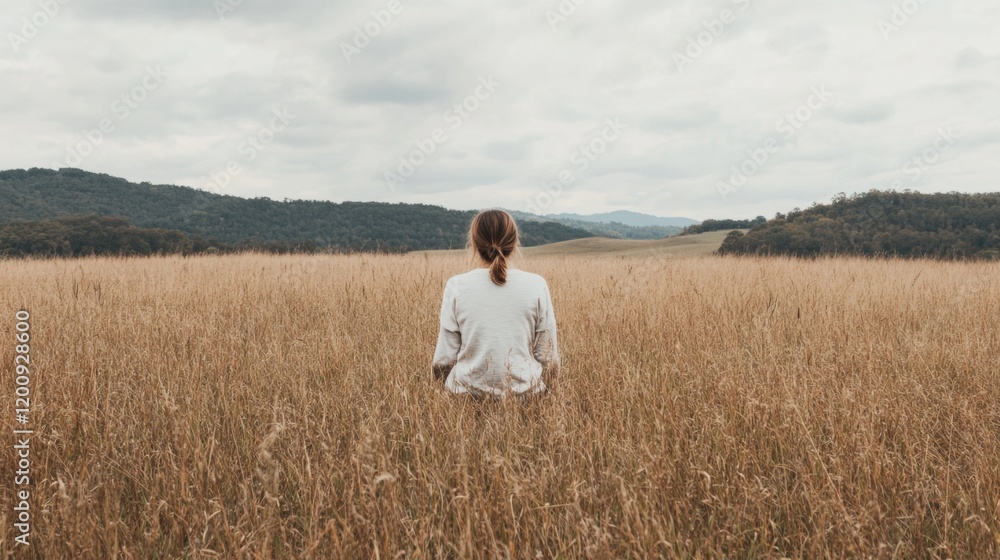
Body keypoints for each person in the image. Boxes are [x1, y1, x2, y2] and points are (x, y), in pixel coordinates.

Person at [431, 209, 560, 398]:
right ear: (515, 242)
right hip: (525, 395)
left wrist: (445, 388)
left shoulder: (456, 285)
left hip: (466, 396)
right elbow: (548, 358)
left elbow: (442, 360)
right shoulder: (536, 284)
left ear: (474, 243)